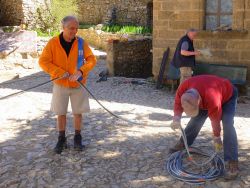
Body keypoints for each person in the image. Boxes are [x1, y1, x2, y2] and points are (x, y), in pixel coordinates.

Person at [39, 16, 97, 154]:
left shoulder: (81, 43)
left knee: (78, 113)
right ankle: (61, 139)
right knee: (61, 113)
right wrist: (58, 72)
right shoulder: (52, 43)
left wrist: (81, 71)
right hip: (60, 83)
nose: (74, 31)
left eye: (76, 28)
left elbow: (92, 60)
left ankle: (78, 137)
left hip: (78, 84)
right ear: (63, 28)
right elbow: (43, 61)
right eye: (71, 28)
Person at [169, 75, 239, 180]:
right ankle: (183, 143)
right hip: (206, 94)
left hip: (228, 95)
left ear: (199, 101)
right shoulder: (183, 88)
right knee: (196, 119)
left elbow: (215, 119)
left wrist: (216, 137)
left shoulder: (212, 98)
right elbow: (178, 103)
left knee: (228, 124)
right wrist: (176, 118)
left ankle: (232, 160)